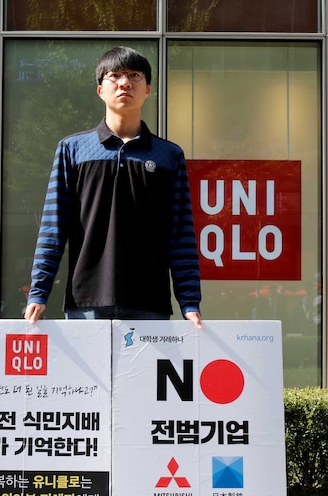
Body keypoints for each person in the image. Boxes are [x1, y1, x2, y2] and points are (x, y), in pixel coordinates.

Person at [24, 46, 202, 328]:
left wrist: (189, 301)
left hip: (149, 303)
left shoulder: (169, 156)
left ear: (147, 90)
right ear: (100, 91)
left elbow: (180, 234)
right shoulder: (72, 150)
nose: (125, 83)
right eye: (115, 76)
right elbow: (53, 227)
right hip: (86, 302)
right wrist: (39, 291)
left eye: (134, 75)